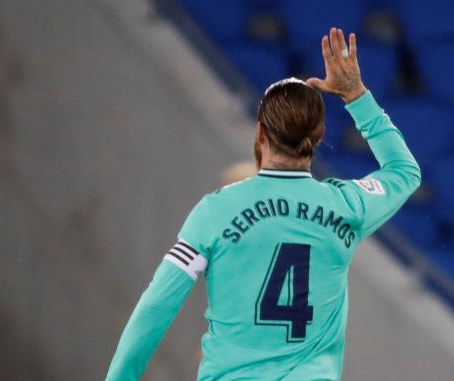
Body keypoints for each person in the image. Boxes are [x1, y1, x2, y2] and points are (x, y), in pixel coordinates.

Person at [106, 28, 421, 380]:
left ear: (259, 133)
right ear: (319, 136)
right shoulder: (348, 206)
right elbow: (404, 171)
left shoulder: (216, 211)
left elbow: (157, 305)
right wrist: (355, 95)